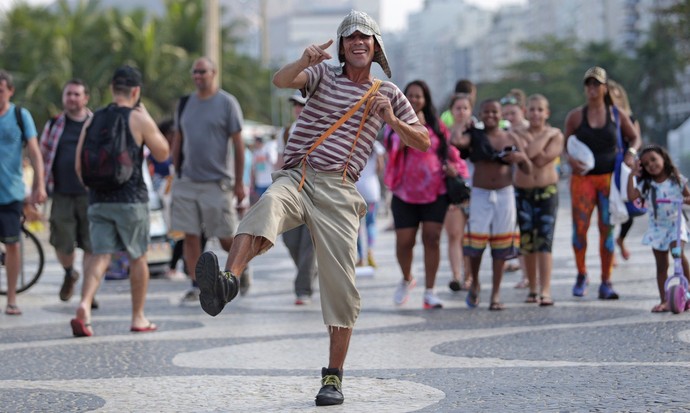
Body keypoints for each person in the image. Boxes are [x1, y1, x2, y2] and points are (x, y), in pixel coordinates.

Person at [193, 10, 429, 406]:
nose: (357, 42)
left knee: (341, 285)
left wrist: (393, 121)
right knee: (264, 208)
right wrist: (305, 60)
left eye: (365, 38)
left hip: (340, 189)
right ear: (341, 46)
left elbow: (421, 140)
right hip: (298, 176)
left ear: (375, 48)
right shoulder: (322, 75)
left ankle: (333, 378)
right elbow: (281, 80)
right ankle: (228, 282)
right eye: (350, 37)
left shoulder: (387, 93)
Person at [71, 65, 169, 336]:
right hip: (131, 199)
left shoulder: (93, 119)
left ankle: (84, 305)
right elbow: (163, 153)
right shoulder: (137, 118)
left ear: (113, 89)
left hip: (98, 199)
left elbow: (79, 164)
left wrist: (93, 190)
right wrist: (147, 117)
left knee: (100, 255)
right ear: (136, 91)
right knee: (138, 257)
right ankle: (138, 317)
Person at [170, 57, 247, 302]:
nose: (198, 76)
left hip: (217, 182)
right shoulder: (185, 103)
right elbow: (178, 141)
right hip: (187, 181)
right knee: (190, 235)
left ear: (214, 73)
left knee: (225, 237)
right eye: (194, 72)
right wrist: (175, 173)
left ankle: (241, 268)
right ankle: (197, 284)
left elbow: (238, 145)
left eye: (202, 71)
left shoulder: (227, 103)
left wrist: (238, 183)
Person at [385, 80, 465, 310]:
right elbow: (393, 150)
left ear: (426, 100)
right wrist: (406, 126)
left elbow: (450, 152)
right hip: (404, 192)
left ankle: (430, 291)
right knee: (404, 242)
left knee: (432, 239)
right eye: (410, 95)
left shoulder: (438, 126)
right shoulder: (394, 124)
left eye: (419, 96)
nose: (414, 99)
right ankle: (407, 277)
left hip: (435, 191)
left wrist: (455, 170)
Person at [563, 66, 640, 299]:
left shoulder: (615, 114)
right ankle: (581, 273)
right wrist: (570, 160)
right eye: (588, 84)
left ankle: (606, 281)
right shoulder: (576, 116)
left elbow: (634, 136)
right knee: (580, 229)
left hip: (608, 180)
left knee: (607, 230)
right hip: (583, 180)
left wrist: (632, 152)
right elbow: (565, 144)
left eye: (597, 84)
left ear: (605, 87)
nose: (592, 88)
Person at [451, 99, 531, 311]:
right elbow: (456, 141)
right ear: (480, 113)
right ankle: (475, 282)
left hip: (505, 195)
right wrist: (462, 121)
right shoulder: (475, 136)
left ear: (501, 114)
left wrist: (519, 157)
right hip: (480, 194)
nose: (490, 116)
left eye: (494, 112)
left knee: (501, 247)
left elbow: (528, 167)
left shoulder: (510, 136)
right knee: (475, 247)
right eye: (486, 112)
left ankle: (496, 294)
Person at [39, 79, 96, 304]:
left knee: (92, 245)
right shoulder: (54, 125)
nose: (72, 98)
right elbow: (42, 158)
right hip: (61, 193)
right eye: (68, 94)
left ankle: (88, 294)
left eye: (76, 94)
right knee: (61, 242)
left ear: (85, 98)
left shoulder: (95, 123)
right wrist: (39, 187)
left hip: (90, 195)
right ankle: (69, 272)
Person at [0, 70, 46, 315]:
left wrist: (39, 185)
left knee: (13, 245)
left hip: (11, 192)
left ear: (10, 91)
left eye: (0, 91)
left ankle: (11, 298)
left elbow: (35, 152)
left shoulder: (20, 115)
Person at [513, 94, 564, 306]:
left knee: (544, 240)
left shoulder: (558, 135)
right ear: (526, 112)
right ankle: (532, 288)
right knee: (527, 241)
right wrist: (545, 135)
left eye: (540, 110)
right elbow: (526, 155)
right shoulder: (516, 133)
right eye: (532, 109)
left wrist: (539, 140)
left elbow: (542, 159)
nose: (536, 114)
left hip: (546, 192)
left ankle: (545, 289)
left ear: (547, 113)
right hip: (523, 192)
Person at [627, 145, 690, 312]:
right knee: (661, 265)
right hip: (657, 228)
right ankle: (664, 300)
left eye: (654, 160)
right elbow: (632, 196)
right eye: (646, 164)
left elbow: (688, 195)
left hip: (676, 224)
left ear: (663, 157)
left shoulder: (676, 179)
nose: (651, 165)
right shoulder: (647, 184)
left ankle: (689, 287)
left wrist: (685, 200)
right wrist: (632, 175)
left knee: (677, 252)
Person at [277, 92, 317, 306]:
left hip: (315, 193)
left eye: (303, 104)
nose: (299, 109)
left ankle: (303, 289)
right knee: (290, 240)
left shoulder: (323, 128)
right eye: (296, 105)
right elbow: (279, 162)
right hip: (291, 193)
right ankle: (310, 271)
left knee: (309, 243)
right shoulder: (284, 133)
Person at [608, 79, 643, 262]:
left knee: (630, 209)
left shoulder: (629, 118)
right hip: (608, 167)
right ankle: (611, 249)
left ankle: (620, 240)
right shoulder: (602, 118)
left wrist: (631, 155)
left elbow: (637, 140)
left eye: (615, 95)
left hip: (626, 167)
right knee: (610, 209)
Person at [444, 93, 473, 291]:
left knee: (470, 236)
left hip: (476, 189)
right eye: (458, 108)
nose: (461, 112)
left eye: (465, 108)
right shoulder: (443, 135)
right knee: (454, 234)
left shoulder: (478, 132)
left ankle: (469, 276)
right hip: (453, 190)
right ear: (451, 111)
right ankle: (456, 275)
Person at [355, 138, 385, 268]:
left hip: (355, 190)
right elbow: (380, 167)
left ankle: (361, 257)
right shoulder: (376, 145)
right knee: (371, 224)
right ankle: (370, 252)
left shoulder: (353, 143)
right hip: (372, 190)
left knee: (356, 226)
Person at [250, 135, 277, 201]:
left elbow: (273, 163)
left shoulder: (267, 151)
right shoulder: (255, 153)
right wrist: (252, 182)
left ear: (259, 143)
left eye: (256, 143)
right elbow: (253, 168)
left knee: (269, 200)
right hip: (259, 182)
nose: (255, 145)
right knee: (261, 201)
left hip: (268, 181)